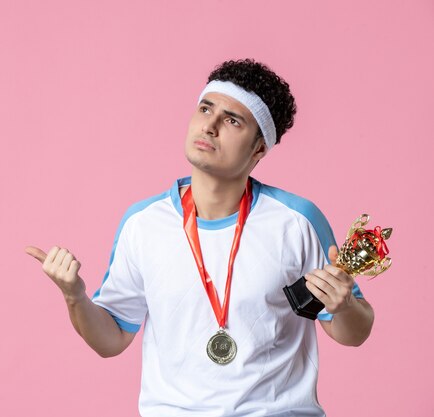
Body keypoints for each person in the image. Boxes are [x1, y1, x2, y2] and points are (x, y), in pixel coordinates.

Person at [26, 59, 374, 416]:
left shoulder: (297, 222)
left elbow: (353, 333)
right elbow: (110, 340)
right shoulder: (143, 224)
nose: (209, 126)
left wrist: (344, 306)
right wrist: (75, 297)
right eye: (205, 108)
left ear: (258, 149)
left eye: (232, 120)